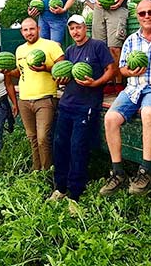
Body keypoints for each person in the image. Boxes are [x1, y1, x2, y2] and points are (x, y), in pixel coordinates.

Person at [99, 0, 151, 196]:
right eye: (142, 13)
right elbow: (122, 69)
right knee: (110, 118)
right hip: (133, 88)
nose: (147, 16)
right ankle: (117, 172)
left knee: (148, 112)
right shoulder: (131, 40)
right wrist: (130, 71)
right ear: (137, 17)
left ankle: (146, 171)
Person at [48, 14, 115, 206]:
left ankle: (75, 194)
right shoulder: (69, 51)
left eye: (78, 27)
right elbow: (65, 75)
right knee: (60, 148)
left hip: (85, 108)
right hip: (66, 105)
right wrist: (60, 79)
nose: (75, 32)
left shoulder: (97, 46)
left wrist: (96, 83)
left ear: (85, 28)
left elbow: (111, 69)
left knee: (78, 149)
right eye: (71, 29)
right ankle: (60, 188)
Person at [9, 18, 64, 170]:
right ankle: (36, 169)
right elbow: (20, 72)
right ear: (22, 32)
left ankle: (47, 171)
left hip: (45, 99)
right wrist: (7, 71)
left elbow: (63, 67)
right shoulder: (19, 50)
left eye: (32, 29)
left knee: (42, 138)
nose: (29, 32)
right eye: (25, 30)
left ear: (38, 29)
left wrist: (46, 68)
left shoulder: (50, 45)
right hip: (24, 99)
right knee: (32, 138)